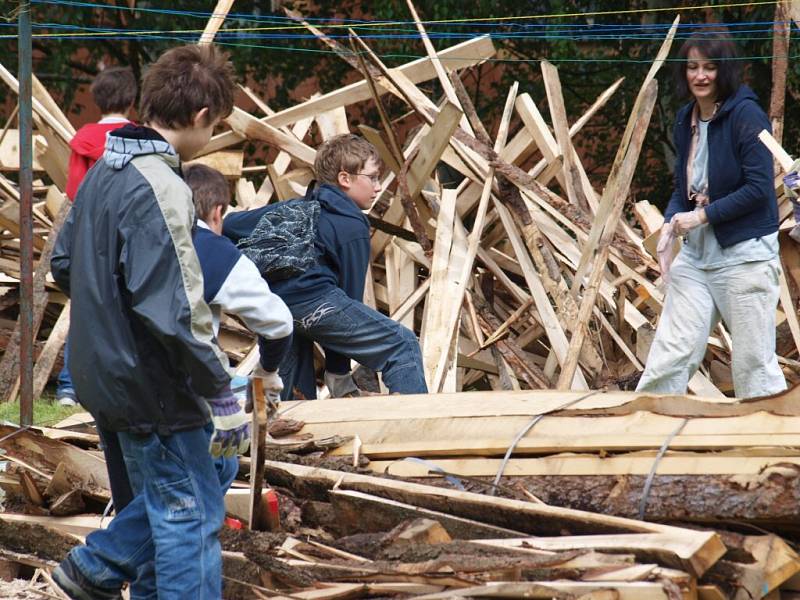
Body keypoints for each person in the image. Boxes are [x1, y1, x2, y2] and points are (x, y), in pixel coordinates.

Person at [50, 44, 242, 599]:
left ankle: (99, 568)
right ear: (204, 117)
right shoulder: (162, 187)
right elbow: (175, 310)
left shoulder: (105, 170)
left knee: (156, 507)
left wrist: (107, 317)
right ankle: (97, 565)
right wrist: (219, 389)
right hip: (152, 387)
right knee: (190, 516)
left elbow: (65, 262)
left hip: (101, 375)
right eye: (217, 125)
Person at [637, 29, 786, 398]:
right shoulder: (686, 117)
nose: (700, 75)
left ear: (725, 71)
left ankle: (768, 443)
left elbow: (758, 189)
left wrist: (701, 218)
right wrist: (672, 224)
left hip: (744, 255)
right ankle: (643, 432)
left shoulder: (746, 115)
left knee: (753, 363)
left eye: (709, 67)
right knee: (670, 354)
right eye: (692, 67)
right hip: (697, 257)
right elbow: (682, 191)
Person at [223, 134, 428, 400]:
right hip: (316, 302)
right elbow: (348, 298)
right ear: (345, 179)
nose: (378, 188)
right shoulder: (352, 225)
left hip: (273, 306)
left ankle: (286, 432)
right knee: (402, 345)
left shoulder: (297, 208)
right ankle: (414, 432)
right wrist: (338, 372)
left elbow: (228, 224)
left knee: (294, 393)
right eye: (374, 177)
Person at [58, 66, 138, 407]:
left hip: (89, 238)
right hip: (125, 236)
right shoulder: (139, 137)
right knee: (126, 312)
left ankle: (68, 387)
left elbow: (74, 191)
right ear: (132, 100)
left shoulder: (84, 138)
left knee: (84, 311)